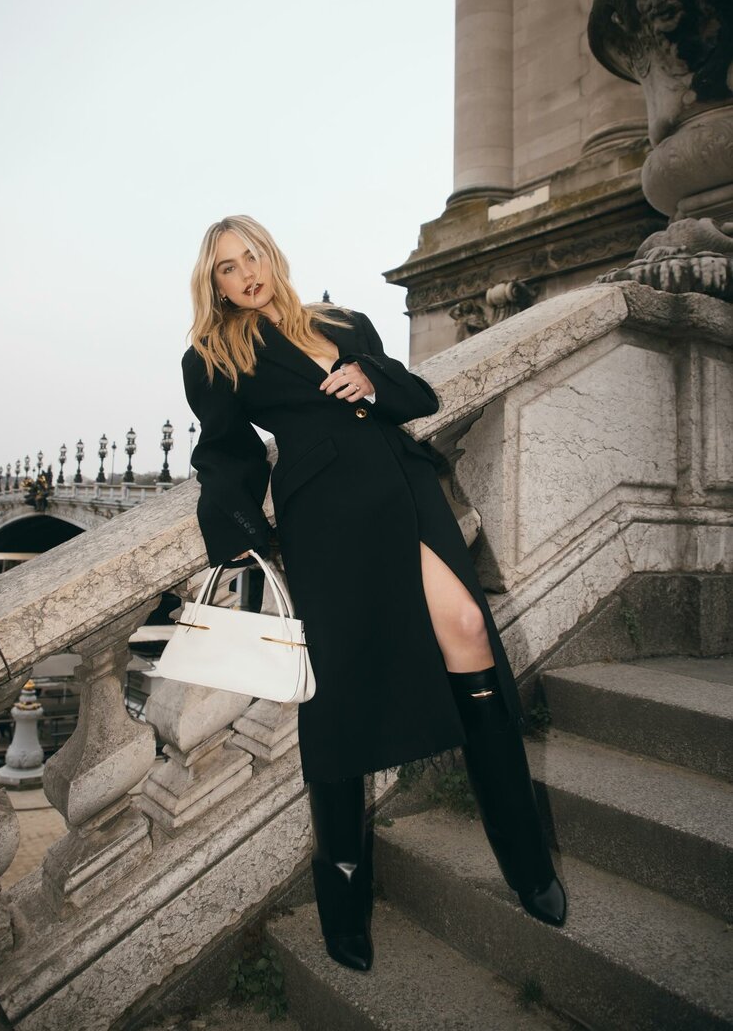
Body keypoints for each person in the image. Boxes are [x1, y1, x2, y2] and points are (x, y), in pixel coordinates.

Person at [182, 215, 567, 973]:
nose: (245, 272)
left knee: (468, 628)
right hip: (326, 514)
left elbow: (415, 393)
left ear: (271, 255)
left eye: (252, 255)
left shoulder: (344, 321)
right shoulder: (213, 355)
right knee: (339, 689)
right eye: (227, 266)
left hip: (404, 484)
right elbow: (223, 455)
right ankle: (344, 894)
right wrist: (240, 543)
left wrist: (369, 379)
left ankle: (525, 858)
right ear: (215, 283)